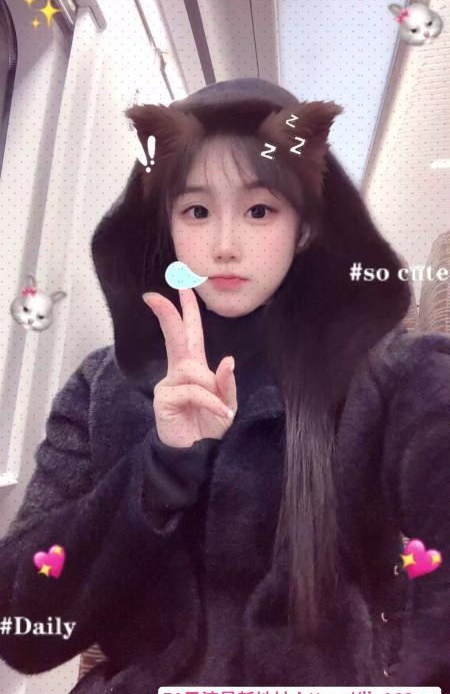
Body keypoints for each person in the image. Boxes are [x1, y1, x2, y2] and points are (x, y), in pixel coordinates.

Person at [0, 77, 449, 693]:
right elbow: (21, 629)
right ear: (167, 226)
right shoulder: (102, 387)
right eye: (196, 211)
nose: (225, 245)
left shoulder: (393, 376)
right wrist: (158, 472)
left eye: (260, 210)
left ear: (305, 227)